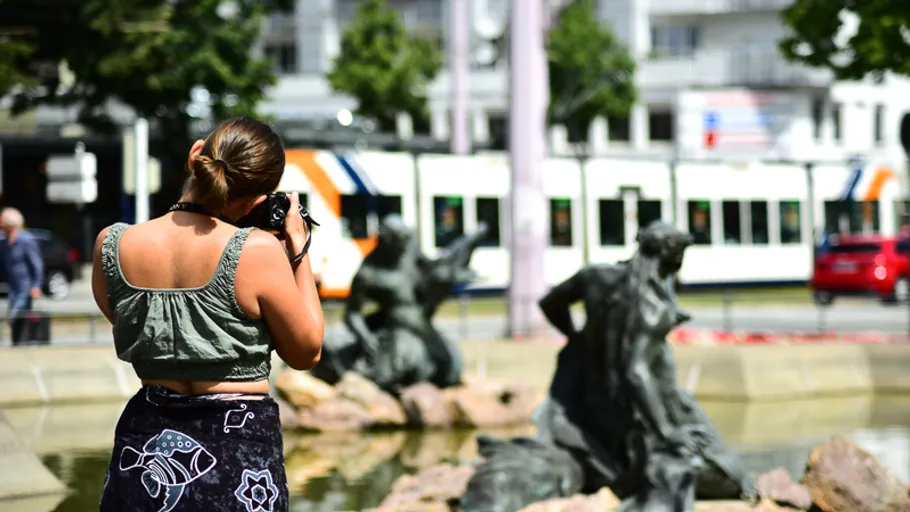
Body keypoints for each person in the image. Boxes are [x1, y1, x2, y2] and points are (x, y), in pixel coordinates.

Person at [92, 116, 324, 512]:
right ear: (256, 199)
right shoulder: (256, 250)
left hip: (145, 445)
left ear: (196, 154)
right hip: (237, 456)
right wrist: (298, 249)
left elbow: (144, 328)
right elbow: (306, 352)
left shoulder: (111, 245)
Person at [0, 207, 44, 344]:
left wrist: (36, 285)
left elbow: (37, 264)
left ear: (10, 224)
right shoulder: (5, 242)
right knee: (15, 318)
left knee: (16, 316)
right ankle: (17, 344)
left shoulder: (26, 240)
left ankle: (20, 343)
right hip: (12, 288)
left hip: (25, 288)